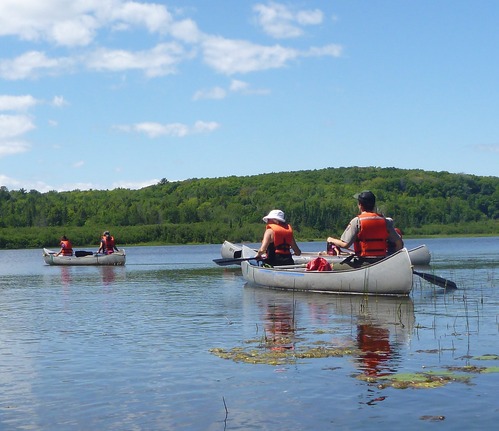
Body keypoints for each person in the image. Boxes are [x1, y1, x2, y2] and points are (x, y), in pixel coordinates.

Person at [327, 191, 403, 265]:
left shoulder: (357, 221)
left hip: (363, 261)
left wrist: (331, 240)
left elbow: (345, 245)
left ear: (360, 205)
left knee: (332, 266)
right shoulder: (385, 221)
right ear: (373, 205)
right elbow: (399, 243)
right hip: (381, 260)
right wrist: (391, 257)